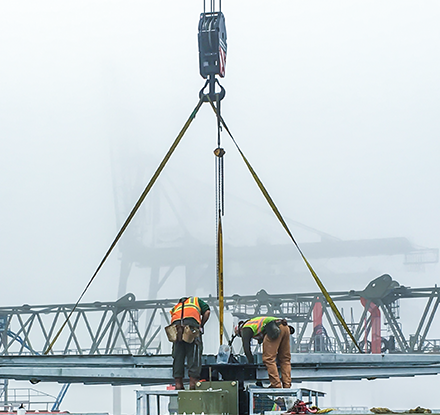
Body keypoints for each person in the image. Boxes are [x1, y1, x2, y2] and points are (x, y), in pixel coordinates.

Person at [235, 316, 294, 388]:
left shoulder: (245, 328)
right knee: (285, 359)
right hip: (285, 327)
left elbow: (246, 348)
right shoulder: (253, 323)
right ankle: (287, 385)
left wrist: (251, 364)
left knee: (268, 359)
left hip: (274, 329)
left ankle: (276, 385)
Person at [169, 296, 210, 390]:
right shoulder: (195, 300)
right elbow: (207, 312)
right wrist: (201, 325)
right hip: (191, 326)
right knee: (194, 353)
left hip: (176, 327)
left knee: (178, 354)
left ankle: (178, 383)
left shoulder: (176, 307)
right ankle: (193, 382)